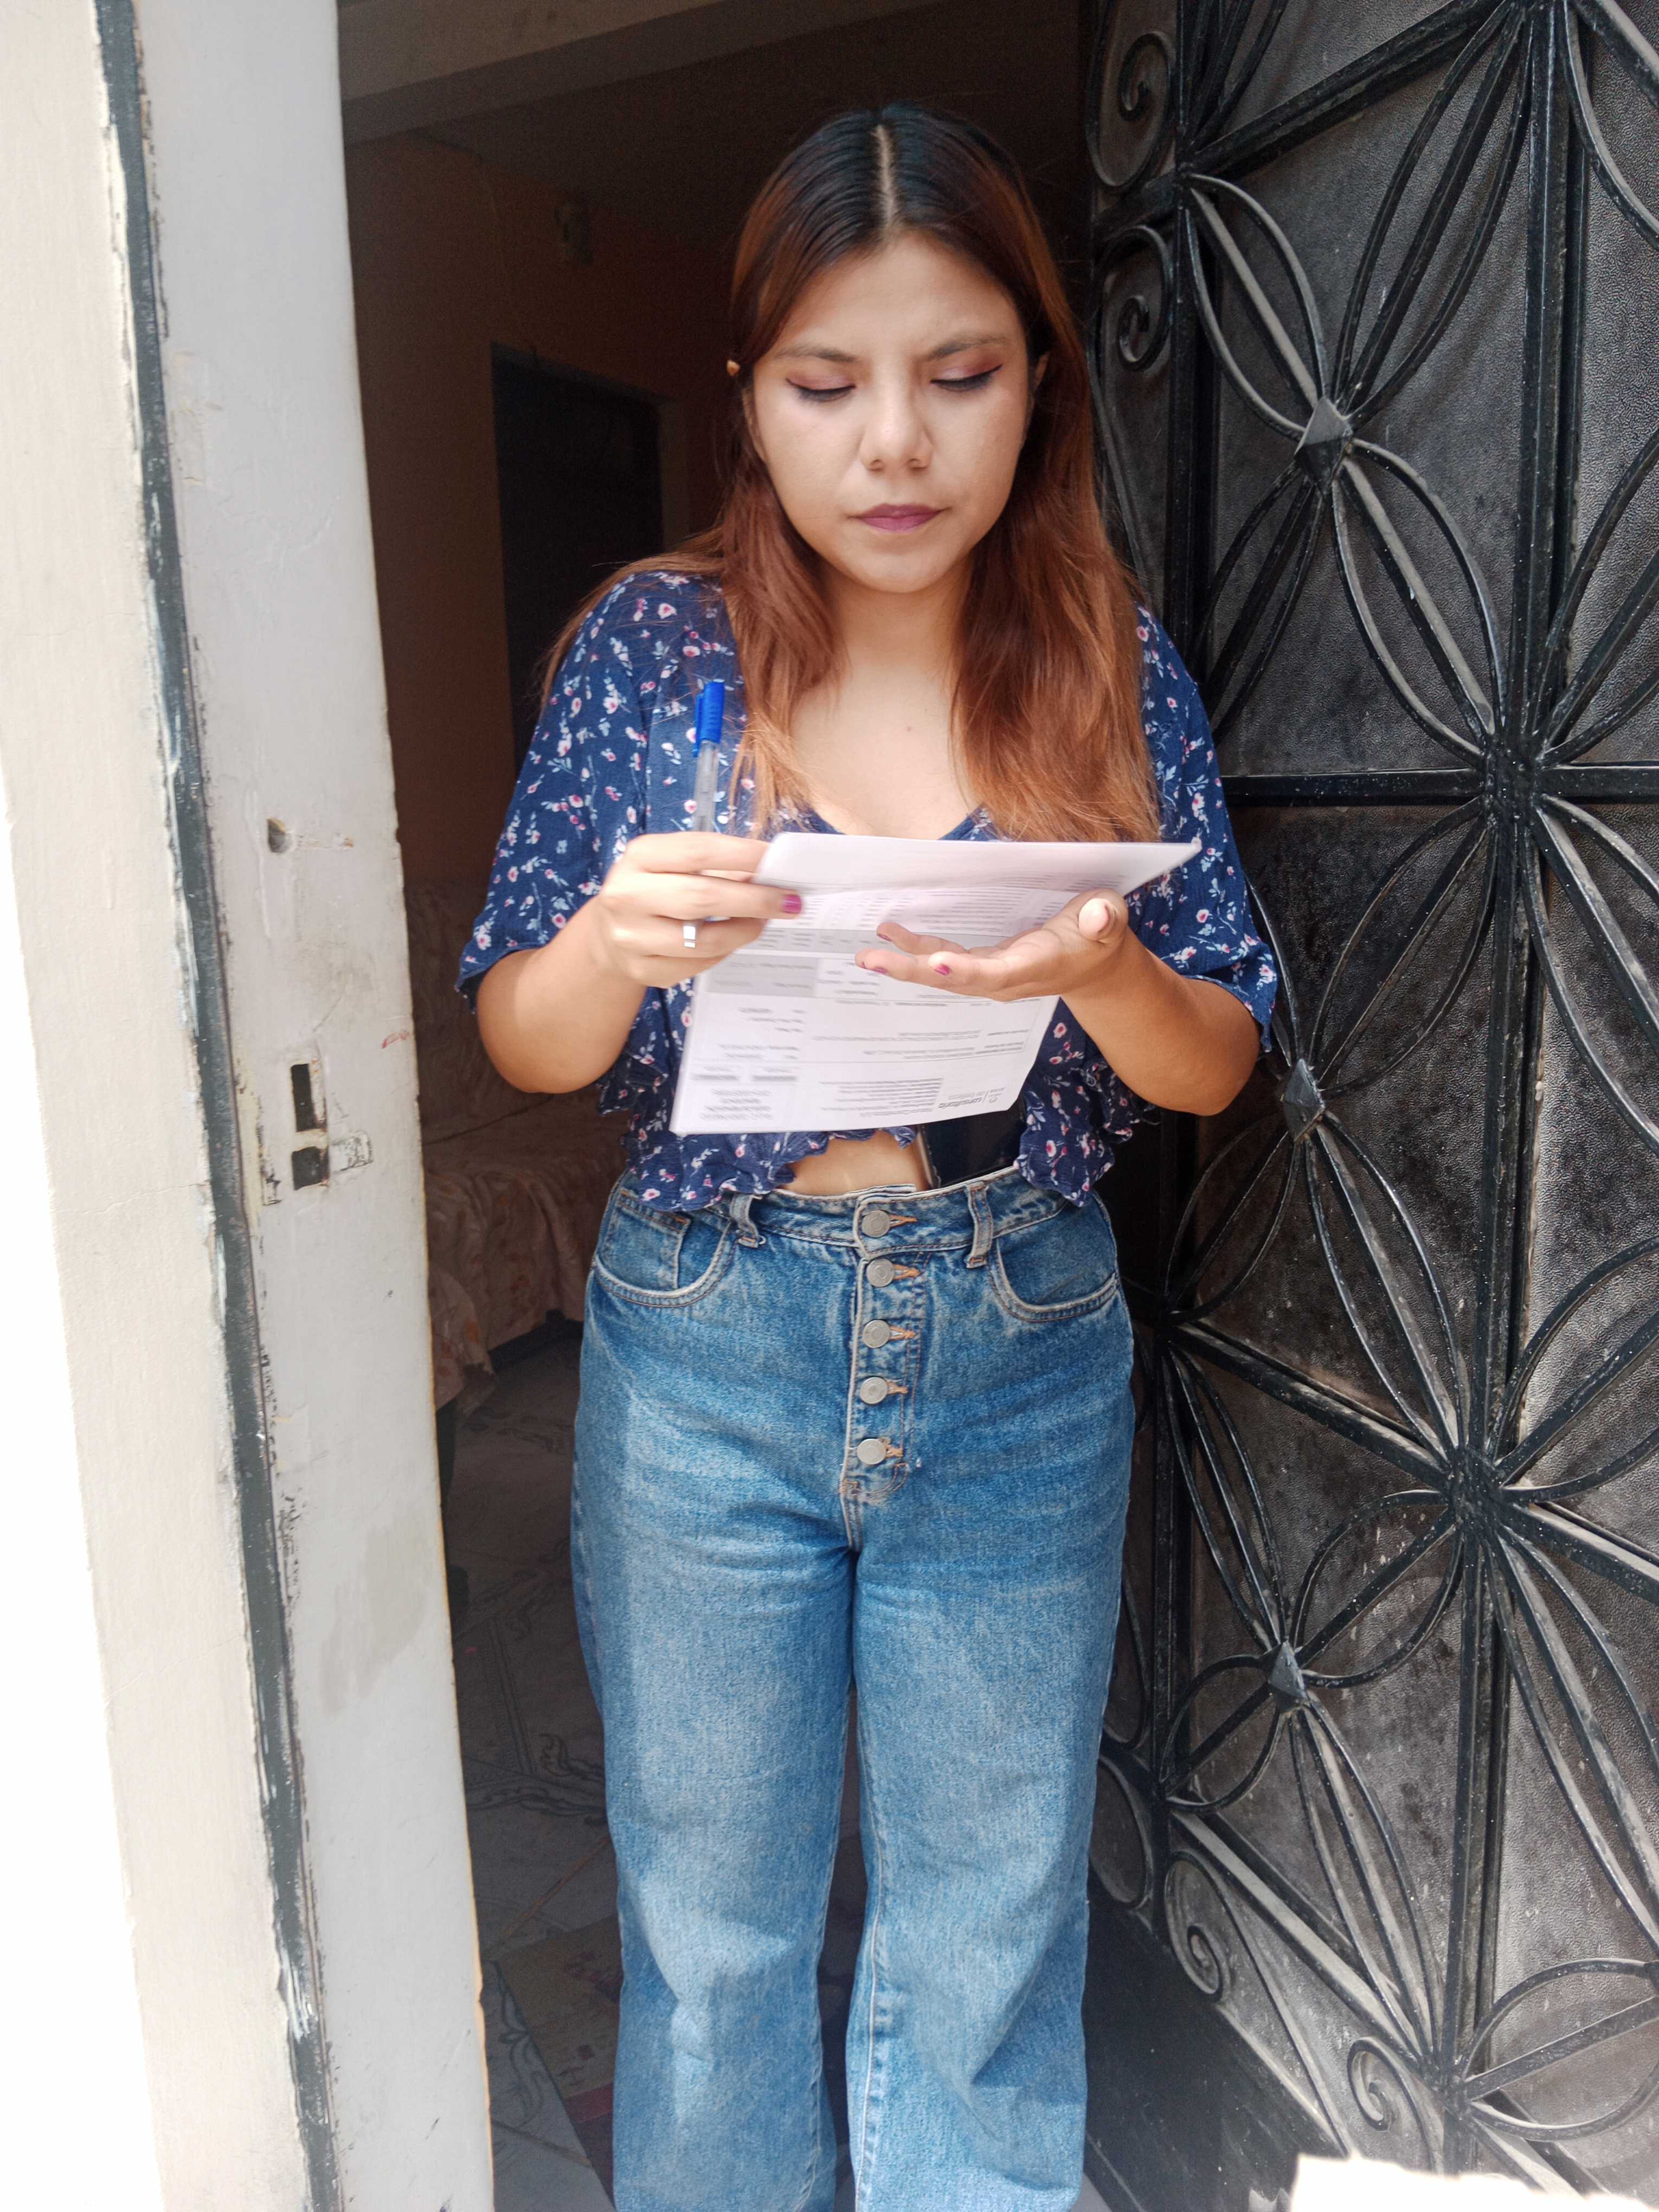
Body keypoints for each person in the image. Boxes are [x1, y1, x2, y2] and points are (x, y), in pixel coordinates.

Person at [461, 102, 1275, 2212]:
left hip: (1018, 1331)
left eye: (960, 373)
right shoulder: (655, 650)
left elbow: (1212, 1060)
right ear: (751, 398)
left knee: (984, 1933)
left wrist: (1104, 967)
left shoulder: (1102, 658)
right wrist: (609, 942)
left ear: (1038, 384)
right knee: (713, 1938)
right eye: (827, 384)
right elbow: (523, 1034)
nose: (894, 444)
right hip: (709, 1333)